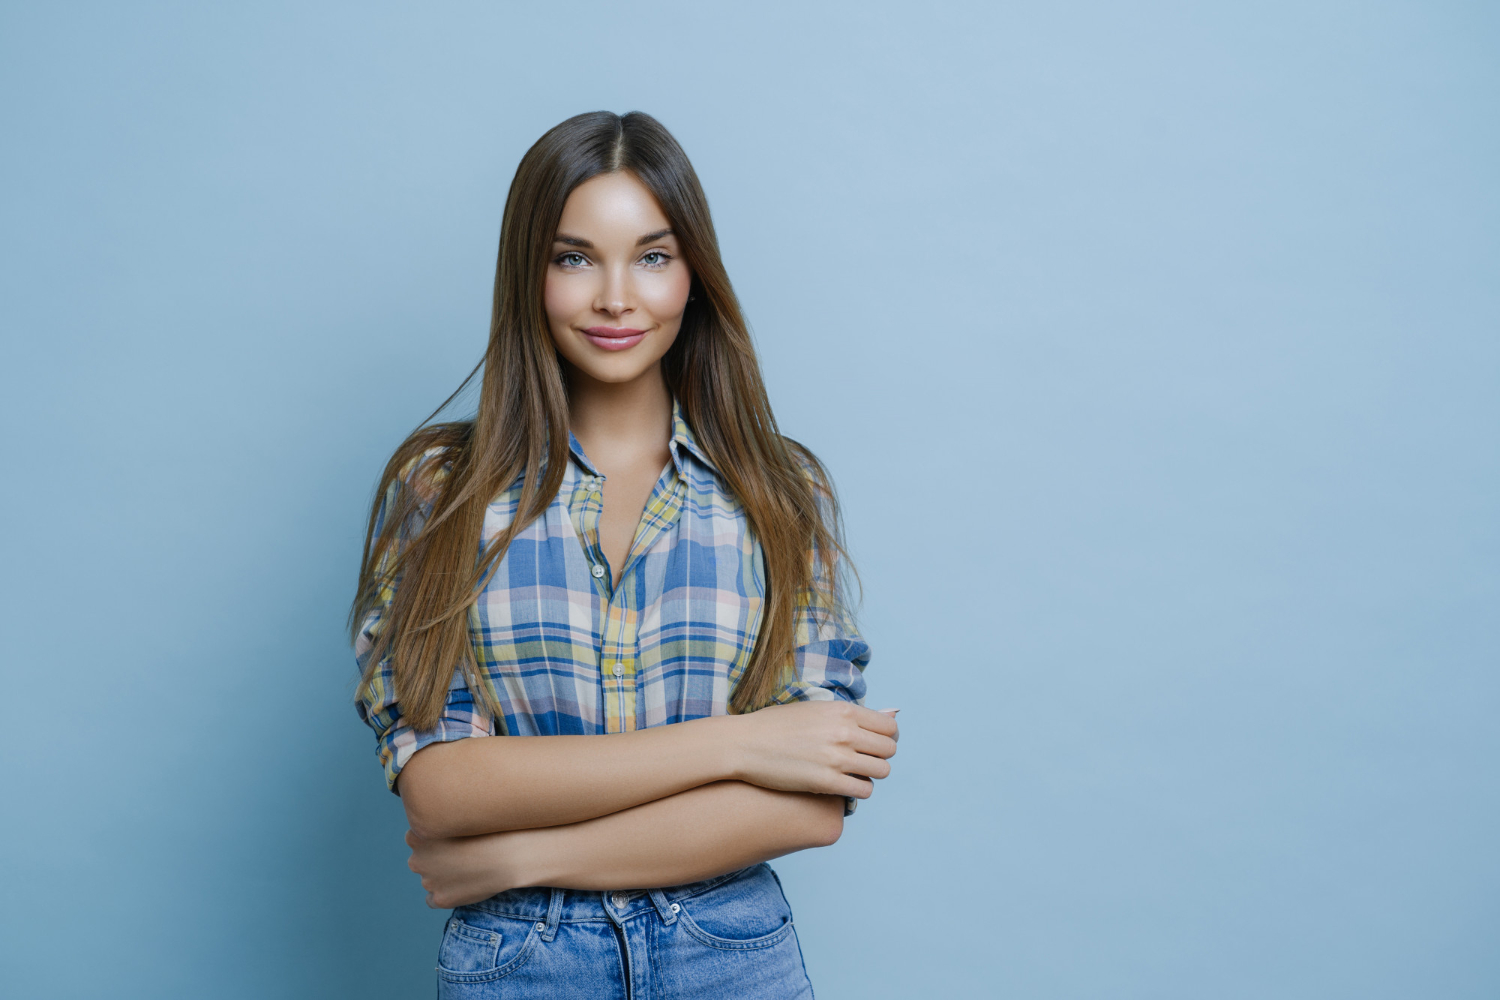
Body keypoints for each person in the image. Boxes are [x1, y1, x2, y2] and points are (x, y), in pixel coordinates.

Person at [351, 110, 899, 999]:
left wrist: (528, 851)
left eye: (652, 255)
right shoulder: (439, 490)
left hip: (733, 957)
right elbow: (442, 790)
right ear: (529, 276)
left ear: (695, 276)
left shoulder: (781, 492)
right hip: (519, 965)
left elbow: (810, 801)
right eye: (574, 257)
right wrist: (743, 743)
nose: (616, 297)